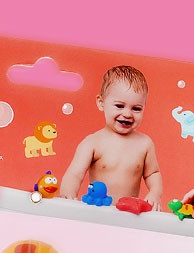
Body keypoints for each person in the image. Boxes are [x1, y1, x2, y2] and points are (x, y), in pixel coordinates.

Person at [59, 65, 163, 210]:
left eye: (136, 108)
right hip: (98, 211)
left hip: (129, 215)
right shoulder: (93, 142)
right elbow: (75, 174)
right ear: (101, 103)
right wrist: (68, 198)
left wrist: (155, 193)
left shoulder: (145, 144)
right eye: (119, 106)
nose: (127, 114)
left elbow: (153, 173)